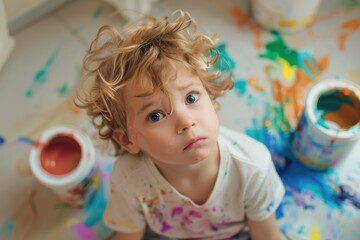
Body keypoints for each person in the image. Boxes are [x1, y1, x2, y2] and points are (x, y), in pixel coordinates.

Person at [76, 9, 285, 240]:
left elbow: (267, 235)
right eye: (156, 115)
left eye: (191, 98)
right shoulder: (129, 178)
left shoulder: (253, 167)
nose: (186, 121)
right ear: (127, 139)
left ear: (211, 97)